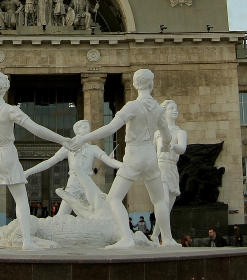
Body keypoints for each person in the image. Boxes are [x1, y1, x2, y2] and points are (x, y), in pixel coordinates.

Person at [0, 72, 76, 250]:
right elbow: (36, 129)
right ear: (5, 88)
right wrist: (62, 139)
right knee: (20, 198)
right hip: (7, 153)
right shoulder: (10, 110)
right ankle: (27, 241)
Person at [71, 68, 180, 248]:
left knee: (114, 198)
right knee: (159, 200)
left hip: (134, 154)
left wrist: (84, 138)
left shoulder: (132, 106)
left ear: (135, 85)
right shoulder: (158, 109)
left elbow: (111, 128)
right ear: (151, 85)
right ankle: (167, 239)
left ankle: (126, 239)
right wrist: (166, 146)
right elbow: (167, 137)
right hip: (151, 157)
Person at [23, 119, 122, 217]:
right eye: (84, 127)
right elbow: (49, 162)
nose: (88, 130)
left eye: (88, 128)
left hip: (88, 186)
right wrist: (28, 172)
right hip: (73, 185)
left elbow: (109, 161)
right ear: (77, 131)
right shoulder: (69, 147)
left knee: (100, 213)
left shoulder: (93, 149)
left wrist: (123, 166)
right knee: (62, 215)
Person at [152, 100, 188, 244]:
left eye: (176, 108)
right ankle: (168, 237)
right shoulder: (157, 133)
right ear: (164, 112)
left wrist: (172, 145)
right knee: (164, 201)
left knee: (169, 205)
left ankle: (155, 234)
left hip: (172, 167)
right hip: (160, 167)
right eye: (171, 108)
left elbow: (183, 148)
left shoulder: (180, 132)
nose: (175, 110)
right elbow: (153, 152)